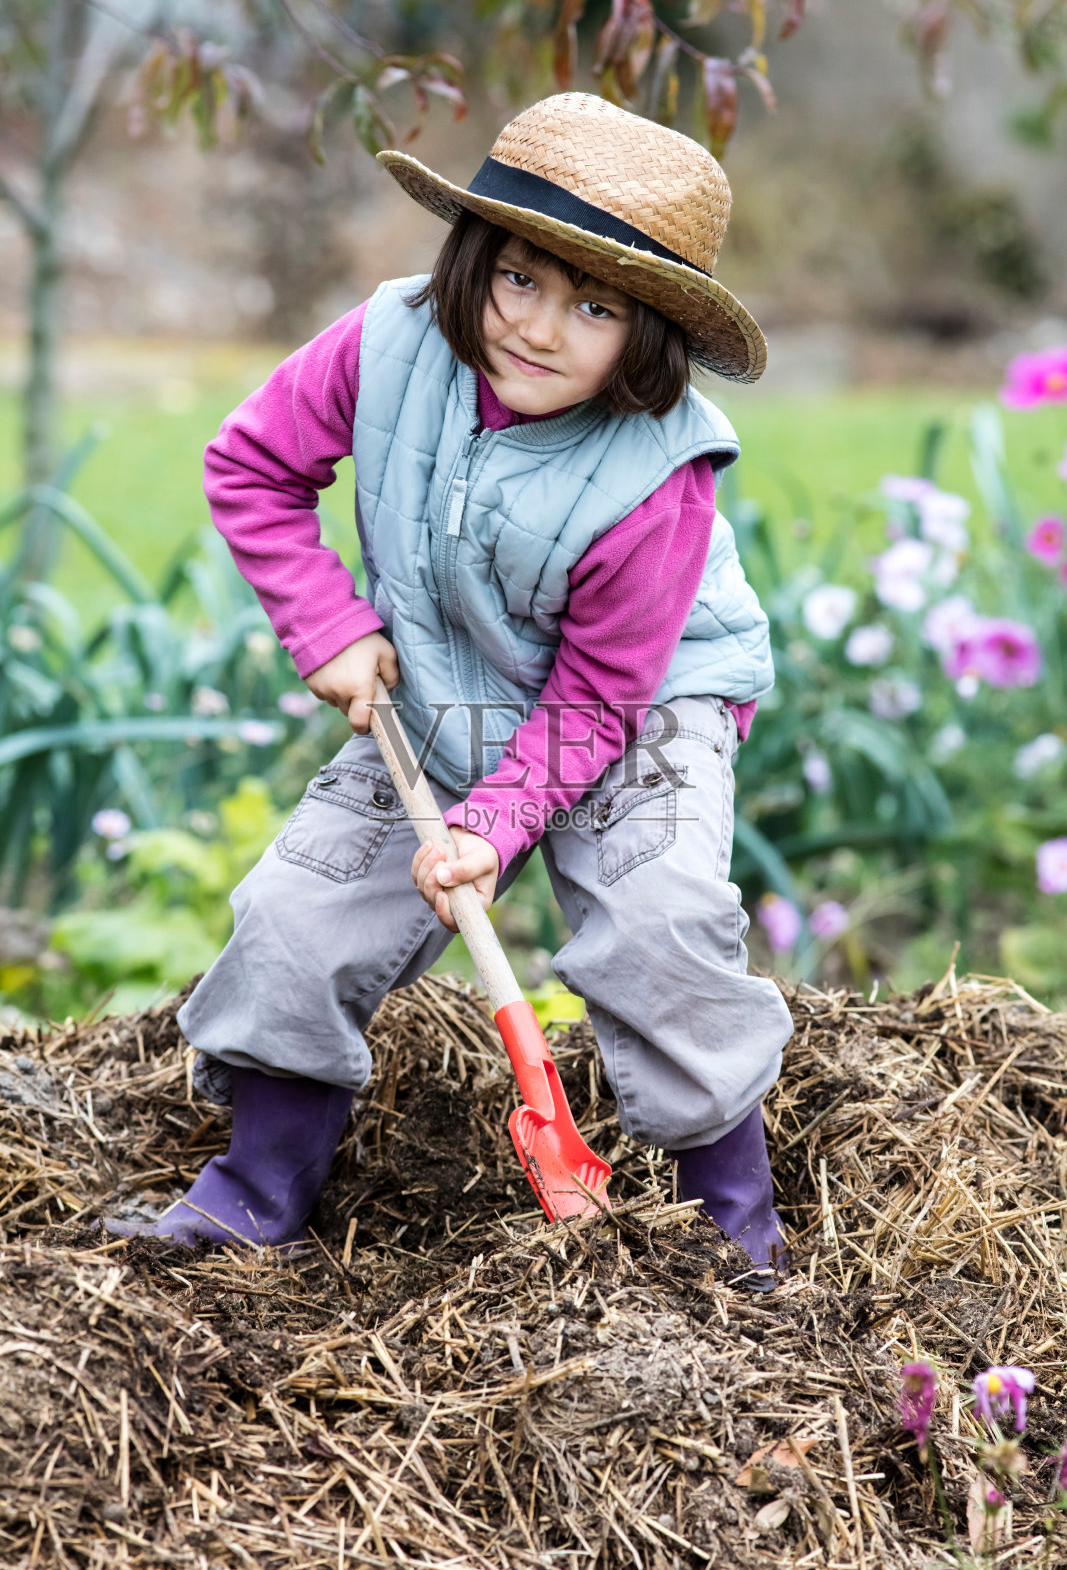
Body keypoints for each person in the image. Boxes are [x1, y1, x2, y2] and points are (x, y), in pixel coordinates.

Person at [109, 92, 794, 1287]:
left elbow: (597, 697)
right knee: (294, 913)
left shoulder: (657, 473)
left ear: (647, 336)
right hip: (439, 681)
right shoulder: (388, 345)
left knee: (660, 926)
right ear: (474, 254)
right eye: (519, 278)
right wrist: (324, 621)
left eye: (594, 307)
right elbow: (253, 464)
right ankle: (259, 1184)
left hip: (639, 709)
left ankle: (726, 1227)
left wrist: (494, 822)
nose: (535, 327)